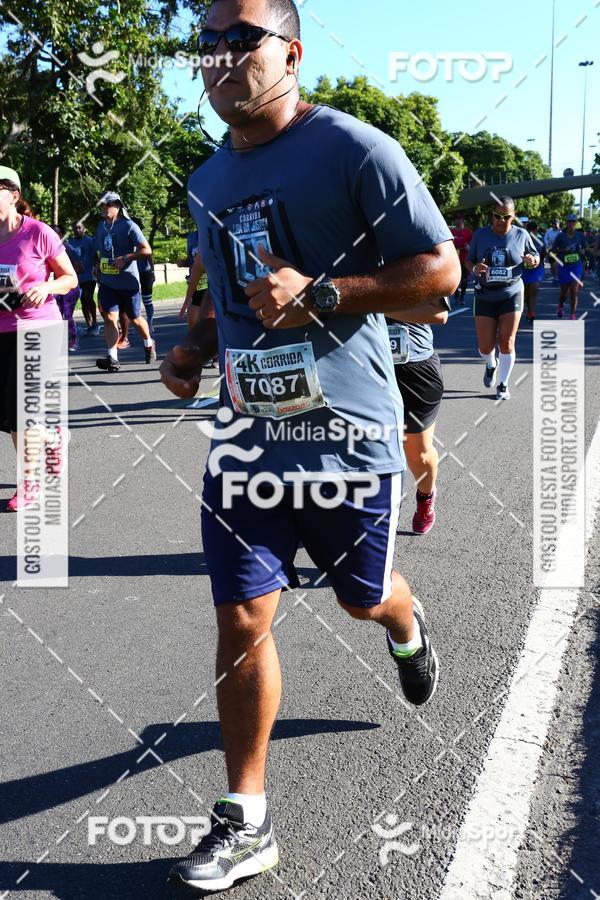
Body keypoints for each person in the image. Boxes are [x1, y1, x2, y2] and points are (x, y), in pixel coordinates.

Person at [160, 0, 460, 892]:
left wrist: (325, 294)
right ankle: (245, 817)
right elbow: (218, 291)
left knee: (360, 599)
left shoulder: (354, 150)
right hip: (248, 443)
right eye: (204, 43)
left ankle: (404, 623)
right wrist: (191, 348)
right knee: (242, 620)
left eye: (239, 39)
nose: (218, 57)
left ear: (289, 51)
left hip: (346, 444)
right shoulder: (208, 177)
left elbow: (440, 271)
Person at [0, 165, 77, 510]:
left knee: (21, 411)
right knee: (8, 414)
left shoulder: (38, 232)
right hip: (1, 330)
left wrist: (45, 286)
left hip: (38, 329)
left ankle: (29, 484)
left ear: (13, 195)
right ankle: (53, 437)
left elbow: (70, 278)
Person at [466, 197, 539, 401]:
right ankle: (491, 364)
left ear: (513, 217)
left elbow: (535, 256)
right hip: (485, 294)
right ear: (492, 215)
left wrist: (532, 260)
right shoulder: (481, 235)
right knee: (485, 347)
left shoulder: (521, 235)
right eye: (497, 216)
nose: (501, 220)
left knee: (507, 341)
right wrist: (474, 268)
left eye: (506, 217)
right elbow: (468, 259)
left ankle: (503, 384)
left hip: (512, 292)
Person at [387, 298, 450, 535]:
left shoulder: (416, 258)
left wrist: (367, 305)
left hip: (413, 367)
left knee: (417, 453)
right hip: (359, 365)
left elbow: (438, 314)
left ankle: (425, 496)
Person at [92, 191, 156, 371]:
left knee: (135, 319)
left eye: (107, 205)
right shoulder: (101, 227)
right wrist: (97, 265)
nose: (103, 209)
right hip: (107, 283)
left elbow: (146, 250)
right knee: (110, 317)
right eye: (102, 205)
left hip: (128, 283)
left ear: (117, 206)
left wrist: (126, 258)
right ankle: (112, 358)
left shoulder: (129, 226)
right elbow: (101, 251)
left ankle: (149, 343)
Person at [53, 224, 81, 351]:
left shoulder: (68, 249)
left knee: (67, 314)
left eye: (56, 232)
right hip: (55, 287)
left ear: (61, 234)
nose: (52, 234)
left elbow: (80, 268)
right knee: (56, 315)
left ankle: (74, 341)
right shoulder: (49, 248)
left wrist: (65, 272)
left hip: (70, 287)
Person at [67, 222, 99, 335]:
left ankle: (95, 323)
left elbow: (96, 257)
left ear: (84, 229)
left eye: (79, 227)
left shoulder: (90, 241)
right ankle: (89, 325)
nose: (77, 230)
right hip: (77, 277)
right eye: (75, 228)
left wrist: (96, 268)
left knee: (88, 297)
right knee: (83, 301)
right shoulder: (70, 243)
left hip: (90, 276)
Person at [552, 214, 586, 320]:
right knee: (564, 292)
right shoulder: (560, 236)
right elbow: (553, 250)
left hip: (576, 265)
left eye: (573, 222)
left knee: (574, 290)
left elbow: (585, 247)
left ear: (576, 223)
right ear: (566, 223)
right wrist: (563, 250)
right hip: (564, 266)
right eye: (569, 222)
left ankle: (572, 314)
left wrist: (583, 251)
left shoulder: (580, 235)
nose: (571, 224)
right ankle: (561, 305)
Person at [521, 220, 546, 323]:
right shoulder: (522, 240)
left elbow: (544, 253)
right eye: (529, 230)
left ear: (536, 231)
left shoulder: (541, 241)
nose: (531, 233)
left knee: (534, 289)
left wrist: (539, 262)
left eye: (533, 231)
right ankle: (528, 310)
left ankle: (532, 312)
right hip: (524, 269)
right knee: (526, 291)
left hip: (537, 268)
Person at [450, 213, 472, 306]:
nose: (458, 221)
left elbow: (473, 245)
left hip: (464, 259)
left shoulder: (468, 232)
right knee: (454, 279)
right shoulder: (451, 232)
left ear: (463, 221)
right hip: (453, 259)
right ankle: (456, 292)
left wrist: (469, 248)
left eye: (460, 219)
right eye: (456, 219)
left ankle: (462, 297)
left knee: (464, 279)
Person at [544, 218, 561, 284]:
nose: (555, 225)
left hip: (559, 250)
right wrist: (548, 245)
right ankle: (554, 277)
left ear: (559, 224)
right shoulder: (549, 231)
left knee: (557, 265)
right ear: (552, 225)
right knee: (552, 265)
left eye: (557, 224)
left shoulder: (560, 232)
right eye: (554, 224)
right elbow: (545, 239)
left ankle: (557, 277)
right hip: (551, 250)